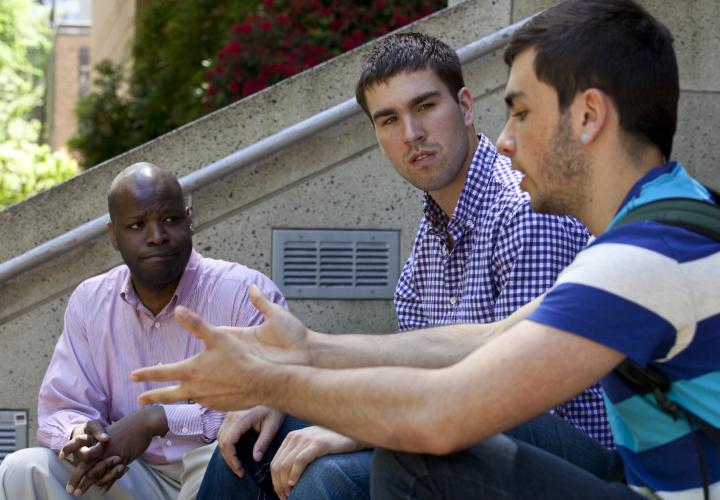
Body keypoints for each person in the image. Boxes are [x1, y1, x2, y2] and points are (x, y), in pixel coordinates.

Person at [133, 0, 720, 497]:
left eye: (520, 112)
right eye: (388, 119)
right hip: (630, 472)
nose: (507, 141)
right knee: (278, 432)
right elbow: (492, 337)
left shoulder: (648, 254)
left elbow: (443, 415)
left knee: (413, 457)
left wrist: (270, 381)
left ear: (588, 115)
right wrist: (308, 349)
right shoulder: (651, 227)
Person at [198, 32, 608, 500]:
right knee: (259, 432)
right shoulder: (426, 246)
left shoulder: (524, 213)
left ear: (467, 106)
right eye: (389, 119)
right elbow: (415, 375)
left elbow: (517, 390)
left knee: (327, 477)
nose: (411, 133)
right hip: (462, 433)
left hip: (564, 456)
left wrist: (353, 428)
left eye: (425, 106)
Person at [0, 163, 286, 500]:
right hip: (129, 472)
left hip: (219, 467)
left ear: (189, 218)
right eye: (137, 225)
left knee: (234, 452)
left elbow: (274, 397)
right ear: (113, 235)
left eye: (169, 220)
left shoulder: (246, 293)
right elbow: (61, 407)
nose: (156, 236)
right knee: (24, 469)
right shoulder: (91, 301)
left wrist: (156, 419)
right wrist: (79, 434)